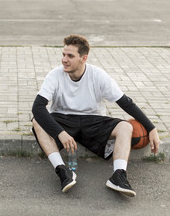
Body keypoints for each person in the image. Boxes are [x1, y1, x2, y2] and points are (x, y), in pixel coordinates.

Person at [31, 35, 160, 197]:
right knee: (37, 120)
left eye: (70, 56)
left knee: (126, 126)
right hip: (63, 119)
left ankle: (119, 175)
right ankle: (62, 170)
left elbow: (125, 102)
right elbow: (37, 107)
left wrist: (151, 128)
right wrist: (60, 133)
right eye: (63, 54)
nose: (64, 59)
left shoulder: (98, 75)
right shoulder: (55, 75)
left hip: (93, 121)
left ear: (83, 58)